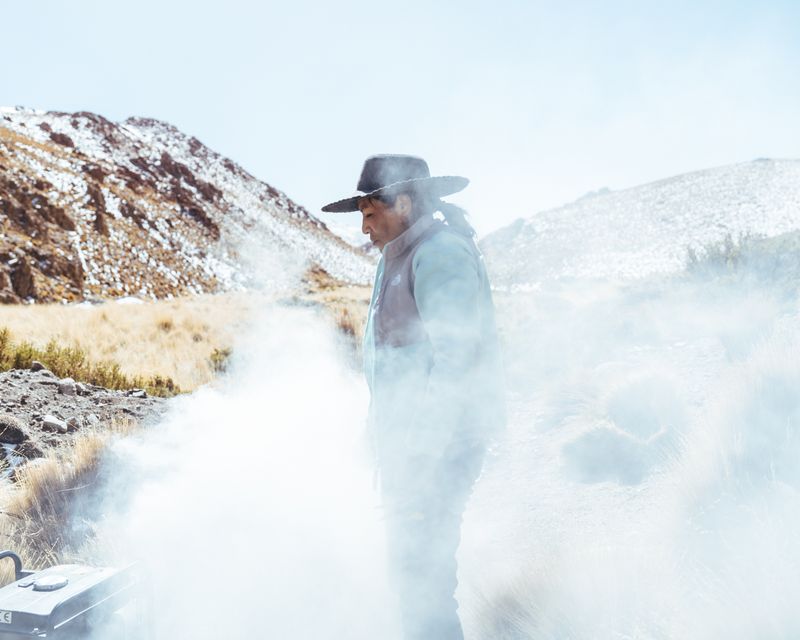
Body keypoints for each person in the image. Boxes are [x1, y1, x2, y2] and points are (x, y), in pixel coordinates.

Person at [322, 154, 504, 640]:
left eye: (369, 213)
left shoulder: (439, 254)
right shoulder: (396, 259)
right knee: (412, 580)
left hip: (437, 451)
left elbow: (458, 361)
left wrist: (422, 454)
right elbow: (393, 361)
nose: (364, 227)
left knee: (421, 583)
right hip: (412, 450)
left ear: (402, 202)